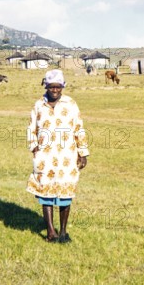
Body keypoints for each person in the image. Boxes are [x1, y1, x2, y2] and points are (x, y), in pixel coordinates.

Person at [26, 69, 89, 243]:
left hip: (67, 155)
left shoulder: (71, 104)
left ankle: (62, 232)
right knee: (45, 192)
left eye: (58, 87)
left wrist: (82, 152)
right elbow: (31, 128)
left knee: (65, 193)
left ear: (63, 87)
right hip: (45, 157)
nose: (55, 90)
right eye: (51, 87)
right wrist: (34, 147)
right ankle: (50, 231)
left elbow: (79, 128)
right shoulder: (39, 105)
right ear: (45, 86)